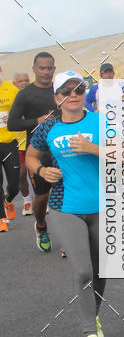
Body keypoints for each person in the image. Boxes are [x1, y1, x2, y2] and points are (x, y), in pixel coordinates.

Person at [26, 71, 106, 337]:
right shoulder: (48, 127)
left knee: (101, 271)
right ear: (57, 97)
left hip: (104, 206)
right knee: (83, 270)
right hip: (64, 206)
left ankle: (94, 319)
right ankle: (90, 335)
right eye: (66, 91)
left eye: (79, 89)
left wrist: (93, 148)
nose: (73, 95)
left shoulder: (101, 120)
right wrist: (40, 170)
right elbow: (32, 156)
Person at [7, 52, 56, 250]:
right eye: (42, 68)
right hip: (38, 153)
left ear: (54, 68)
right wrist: (37, 121)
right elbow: (12, 123)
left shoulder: (61, 90)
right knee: (42, 197)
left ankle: (69, 238)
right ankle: (41, 226)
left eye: (49, 68)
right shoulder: (25, 94)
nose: (46, 72)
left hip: (63, 151)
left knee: (67, 194)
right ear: (35, 69)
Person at [0, 66, 20, 232]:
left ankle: (9, 200)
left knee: (14, 184)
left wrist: (12, 117)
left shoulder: (11, 89)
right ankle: (1, 218)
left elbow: (22, 113)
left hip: (9, 141)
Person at [13, 72, 33, 215]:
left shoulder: (33, 97)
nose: (24, 83)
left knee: (37, 173)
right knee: (21, 174)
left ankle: (41, 199)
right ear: (15, 83)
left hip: (33, 140)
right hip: (17, 142)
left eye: (26, 80)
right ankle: (27, 201)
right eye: (21, 81)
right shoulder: (11, 100)